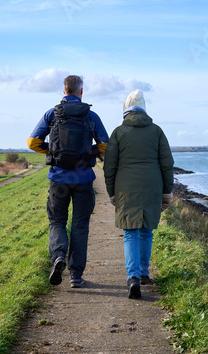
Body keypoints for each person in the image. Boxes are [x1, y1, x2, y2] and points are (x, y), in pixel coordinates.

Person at [27, 75, 109, 288]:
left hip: (58, 179)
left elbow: (32, 142)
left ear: (64, 91)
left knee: (57, 221)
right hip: (83, 180)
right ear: (81, 92)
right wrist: (87, 153)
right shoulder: (90, 115)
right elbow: (106, 145)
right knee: (80, 226)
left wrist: (53, 152)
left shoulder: (52, 114)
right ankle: (76, 275)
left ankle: (58, 257)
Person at [103, 89, 174, 299]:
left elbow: (109, 166)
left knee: (130, 232)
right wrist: (167, 192)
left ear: (126, 108)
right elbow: (167, 164)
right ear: (144, 108)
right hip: (153, 184)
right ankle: (144, 273)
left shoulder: (118, 132)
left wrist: (111, 192)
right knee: (146, 231)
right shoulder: (157, 131)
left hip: (125, 187)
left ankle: (132, 277)